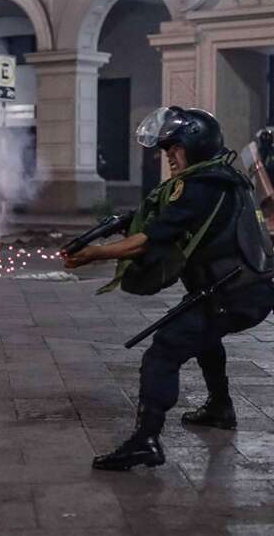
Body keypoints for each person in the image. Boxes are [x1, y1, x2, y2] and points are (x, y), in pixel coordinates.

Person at [62, 106, 274, 471]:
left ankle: (145, 440)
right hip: (251, 288)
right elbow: (162, 218)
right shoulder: (220, 176)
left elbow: (149, 239)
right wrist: (118, 226)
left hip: (233, 293)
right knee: (206, 337)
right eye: (165, 150)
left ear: (195, 145)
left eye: (173, 149)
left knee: (162, 354)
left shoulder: (199, 187)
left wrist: (94, 253)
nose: (169, 157)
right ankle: (220, 407)